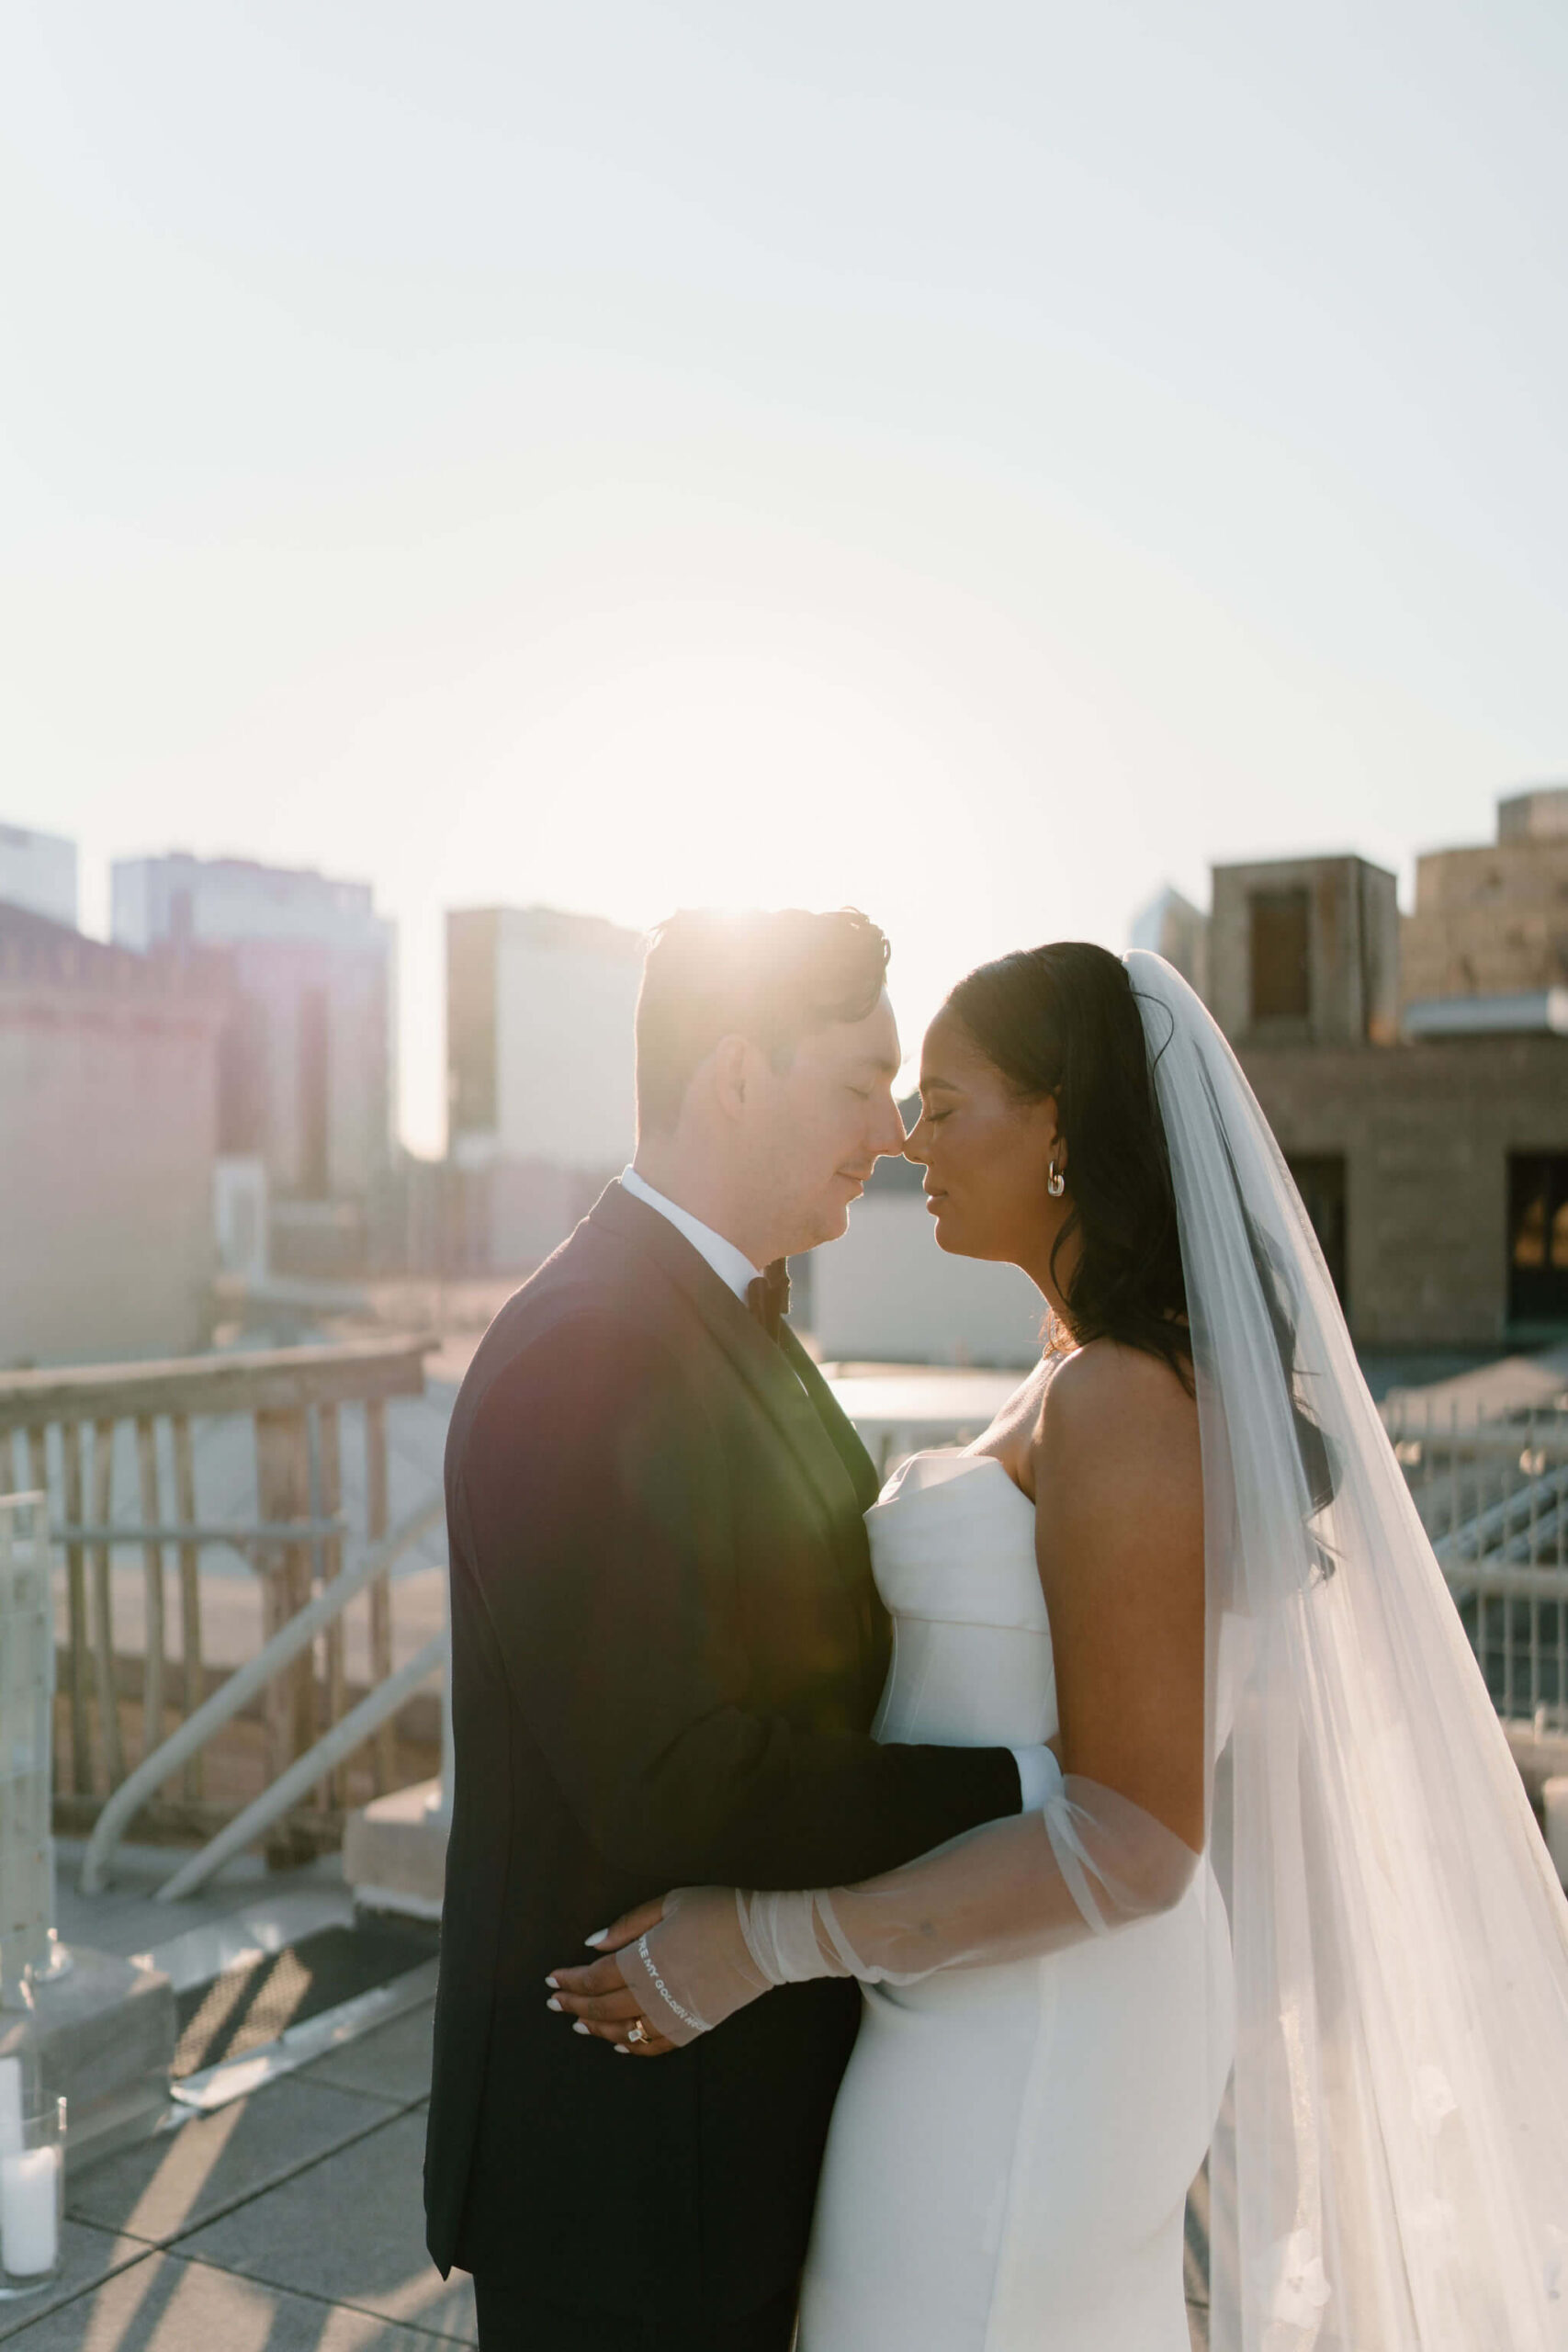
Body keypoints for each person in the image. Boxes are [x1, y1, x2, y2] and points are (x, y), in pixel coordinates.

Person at [552, 942, 1568, 2352]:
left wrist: (766, 1943)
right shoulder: (1085, 1373)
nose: (911, 1141)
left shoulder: (1119, 1401)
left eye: (946, 1104)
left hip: (1033, 2025)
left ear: (1061, 1131)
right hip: (990, 1994)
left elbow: (1138, 1839)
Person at [423, 907, 1057, 2352]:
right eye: (860, 1082)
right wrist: (1025, 1788)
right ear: (732, 1076)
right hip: (629, 2179)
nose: (892, 1132)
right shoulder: (585, 1347)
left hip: (736, 2138)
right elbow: (673, 1778)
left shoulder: (725, 1316)